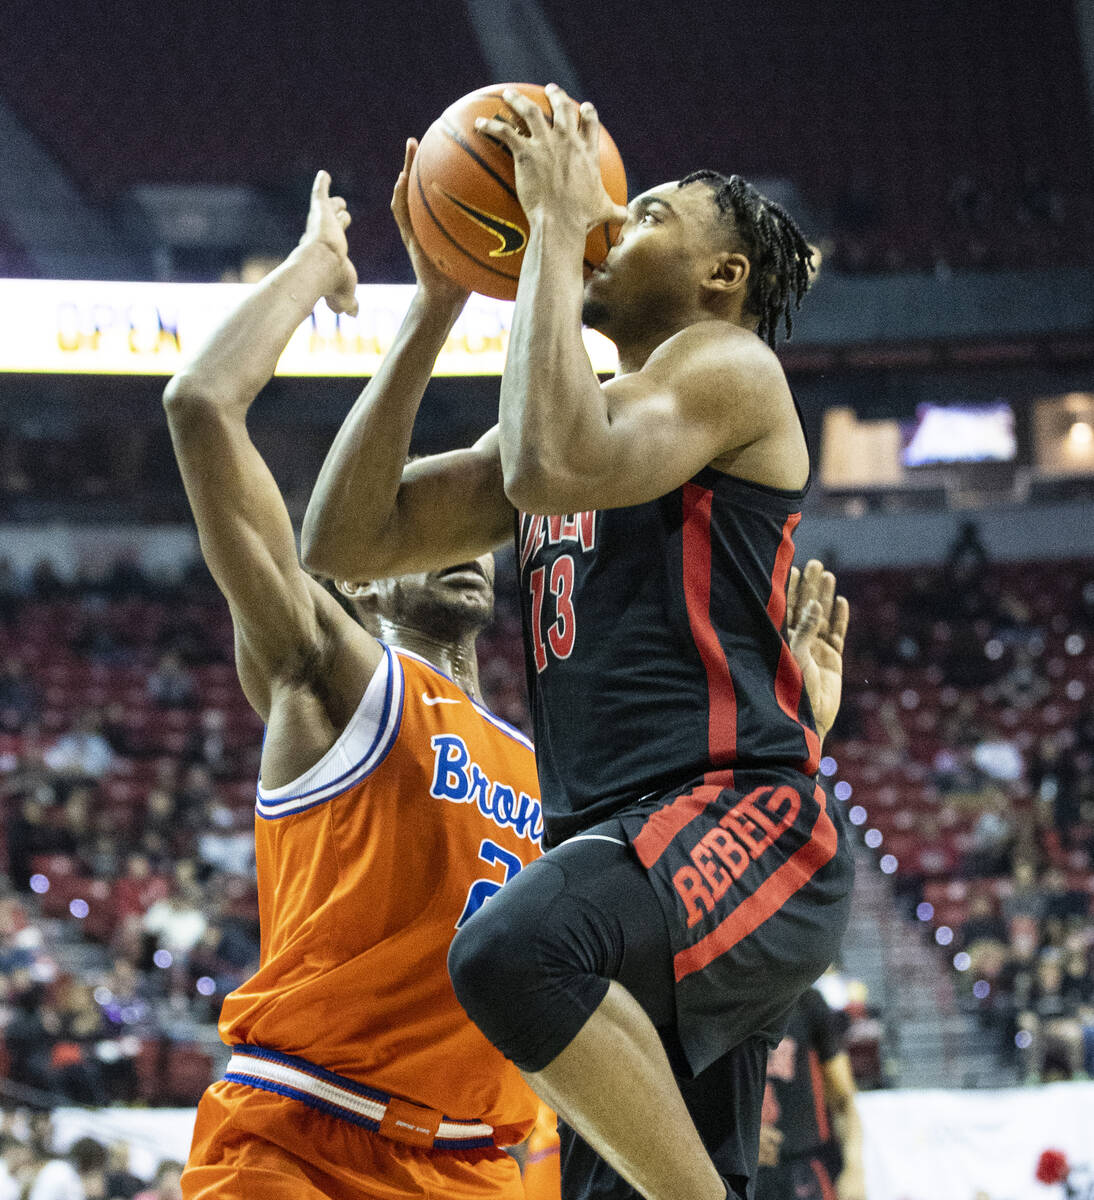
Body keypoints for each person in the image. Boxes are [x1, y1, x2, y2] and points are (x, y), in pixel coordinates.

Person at [302, 88, 853, 1200]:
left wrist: (552, 227)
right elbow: (342, 537)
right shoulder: (562, 414)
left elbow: (553, 465)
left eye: (645, 211)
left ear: (721, 277)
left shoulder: (725, 367)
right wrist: (433, 305)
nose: (609, 216)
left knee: (509, 954)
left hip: (726, 822)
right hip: (617, 849)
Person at [164, 172, 544, 1200]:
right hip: (304, 1142)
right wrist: (318, 269)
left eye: (464, 528)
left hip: (479, 1165)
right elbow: (200, 405)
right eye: (415, 526)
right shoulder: (327, 675)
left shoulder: (549, 761)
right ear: (359, 569)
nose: (456, 545)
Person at [755, 987, 866, 1200]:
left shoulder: (806, 1001)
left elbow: (843, 1098)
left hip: (804, 1168)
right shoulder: (715, 998)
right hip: (737, 1169)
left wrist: (854, 1169)